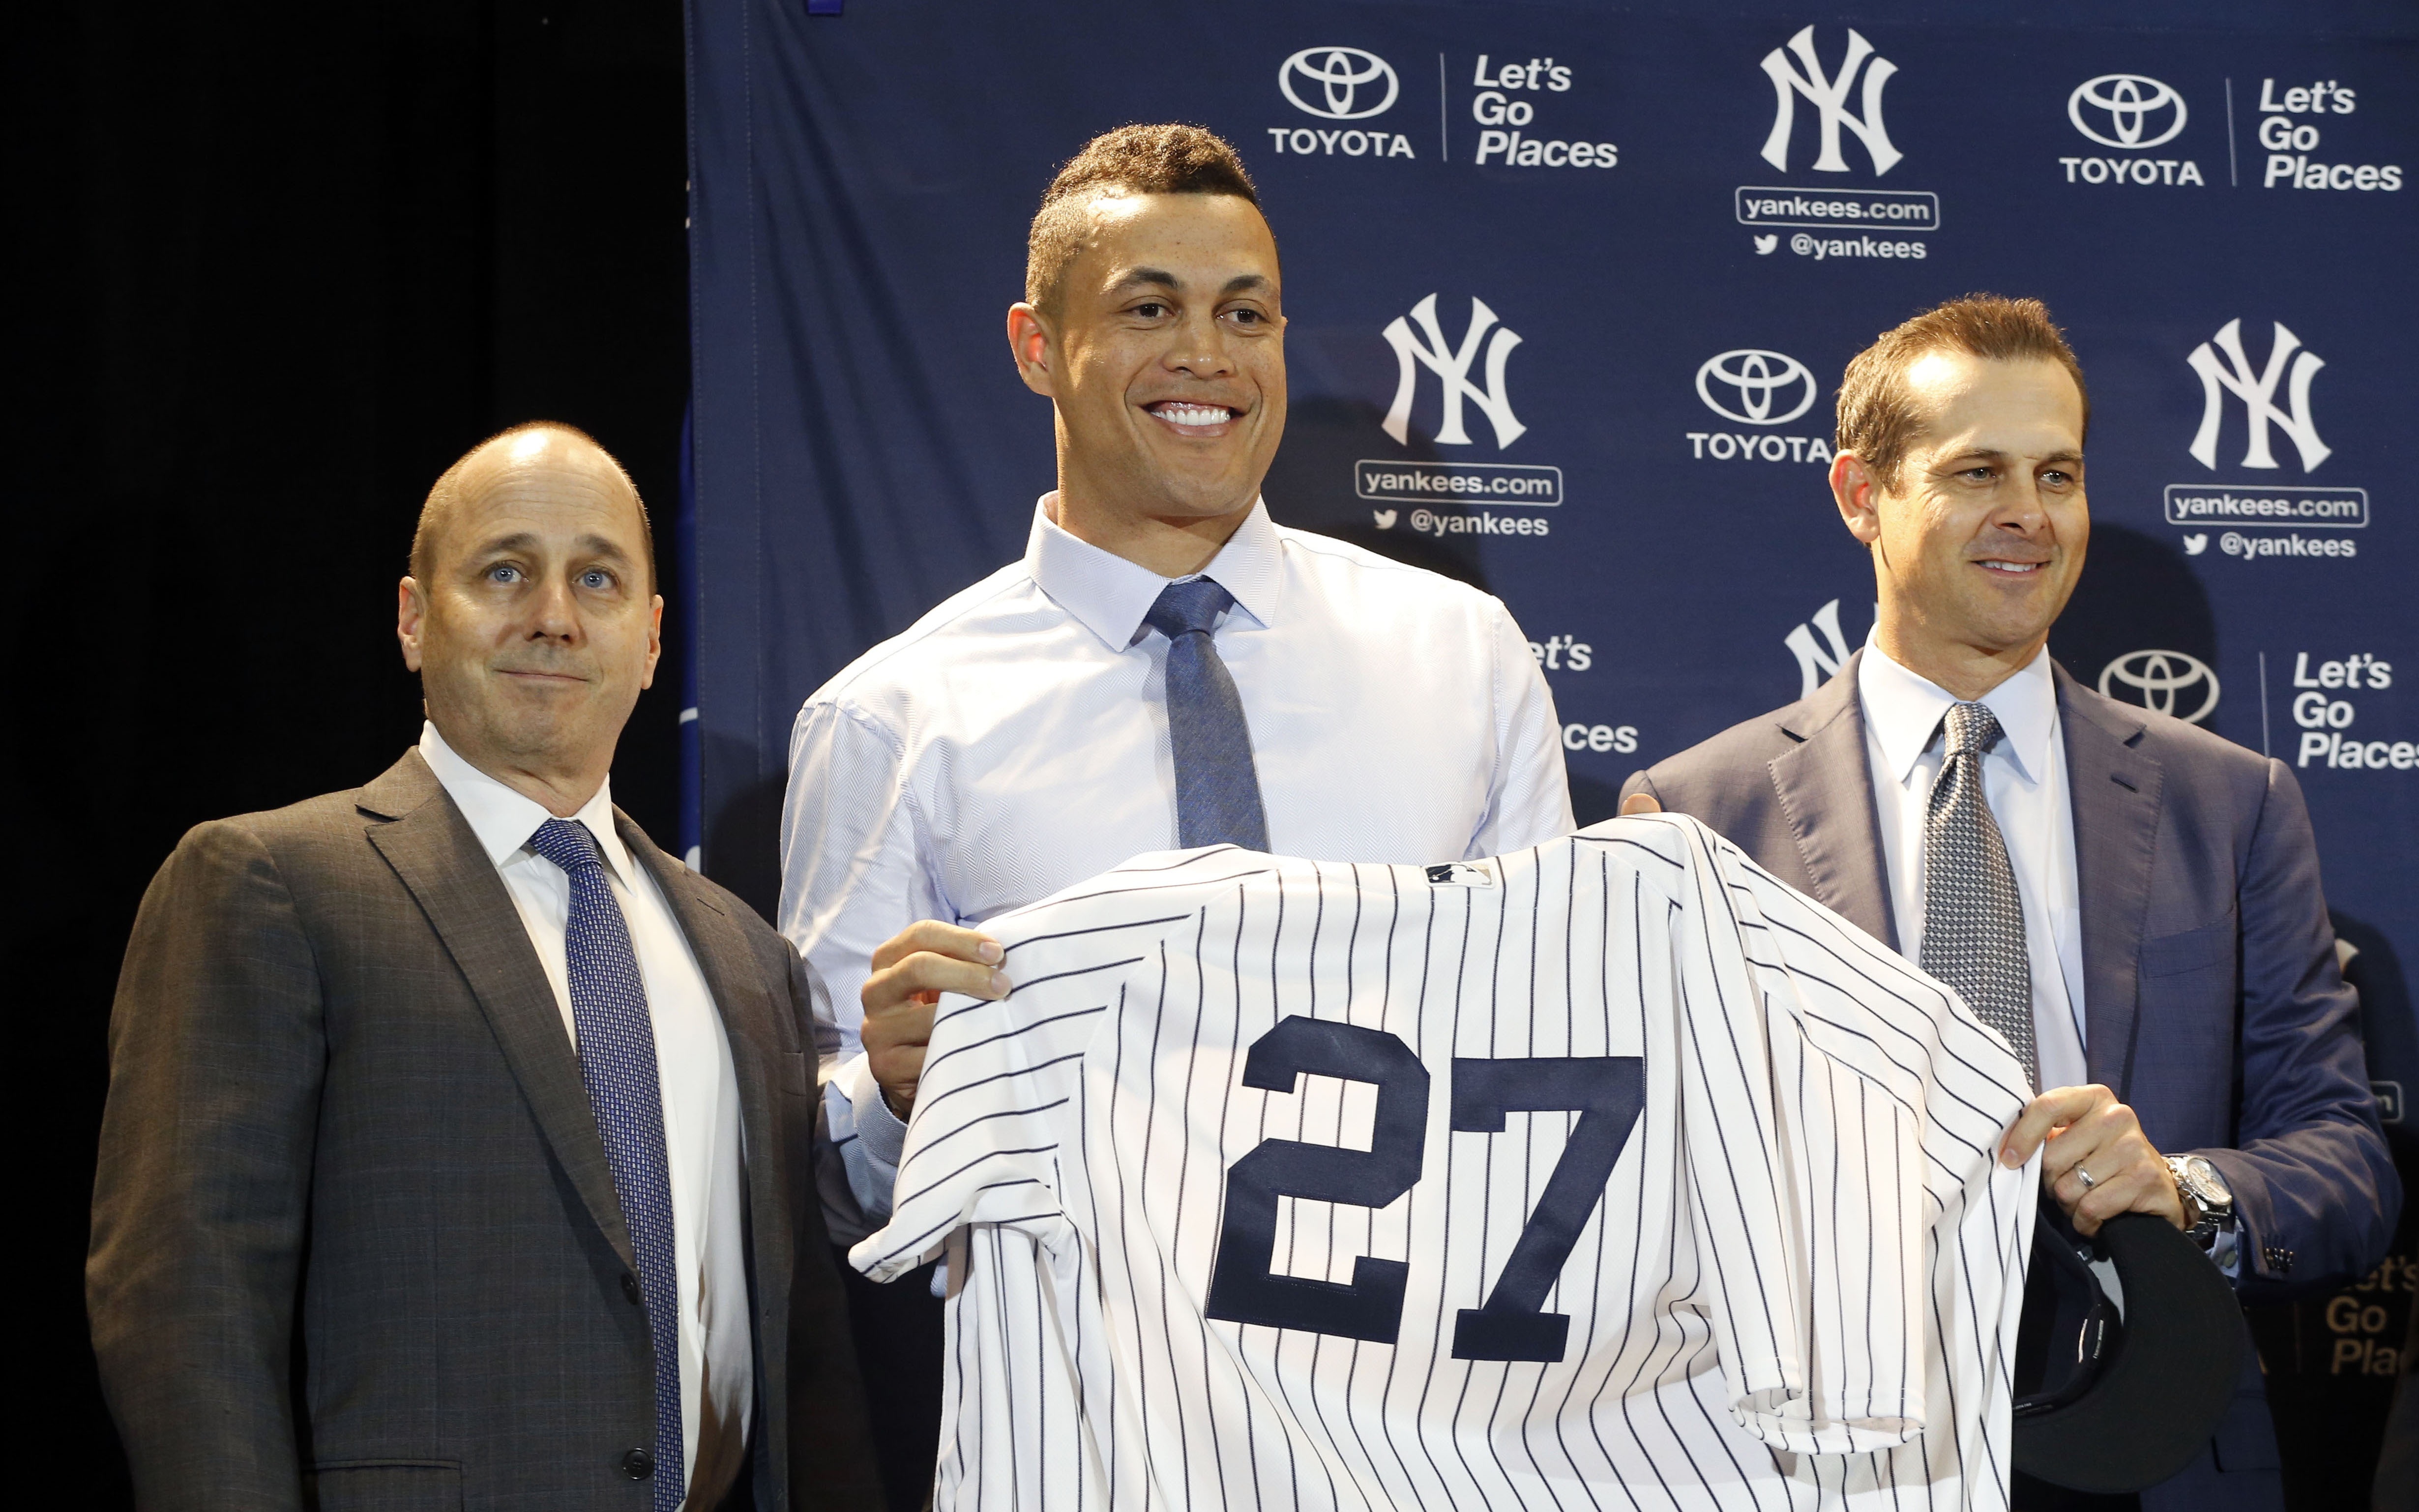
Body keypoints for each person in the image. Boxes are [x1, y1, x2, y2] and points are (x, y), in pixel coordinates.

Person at [1619, 295, 2398, 1512]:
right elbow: (1630, 1194)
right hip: (1810, 1460)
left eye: (2058, 472)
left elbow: (2349, 1169)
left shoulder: (2231, 803)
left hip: (2156, 1442)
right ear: (1859, 495)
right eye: (1977, 470)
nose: (2029, 515)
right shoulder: (1693, 818)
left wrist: (2183, 1190)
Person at [782, 124, 1573, 1238]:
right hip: (1073, 1397)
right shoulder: (891, 718)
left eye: (1244, 314)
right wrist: (898, 1099)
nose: (1207, 354)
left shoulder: (1467, 658)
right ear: (1036, 346)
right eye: (1149, 309)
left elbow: (1557, 1052)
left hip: (1422, 1395)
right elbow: (823, 1183)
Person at [89, 424, 879, 1512]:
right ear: (416, 618)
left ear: (651, 641)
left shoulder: (749, 956)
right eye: (505, 570)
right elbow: (185, 1302)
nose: (553, 615)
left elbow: (803, 1350)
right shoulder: (271, 882)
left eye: (596, 578)